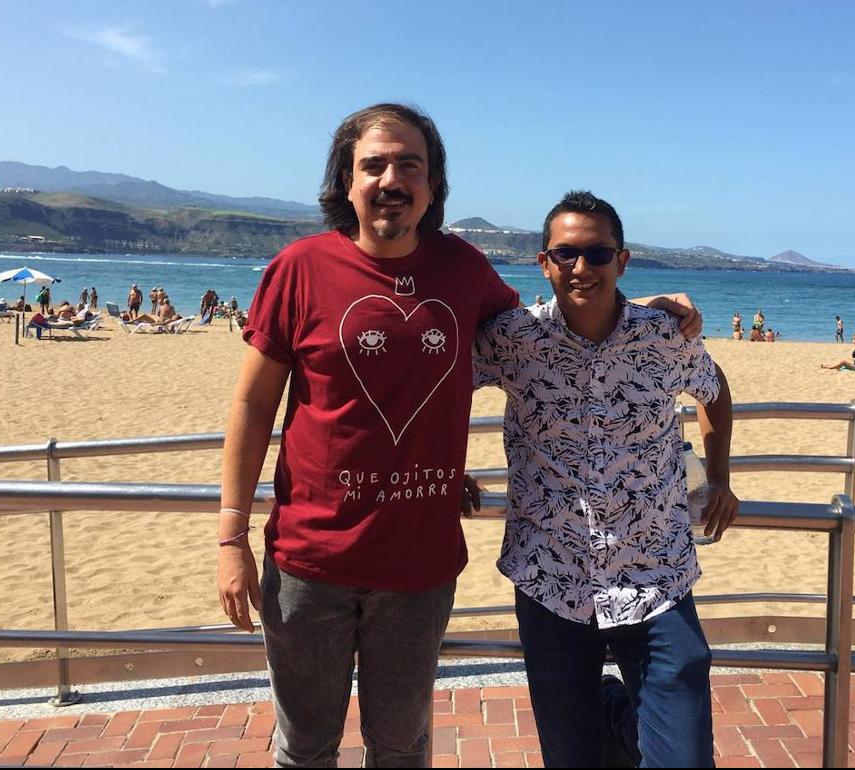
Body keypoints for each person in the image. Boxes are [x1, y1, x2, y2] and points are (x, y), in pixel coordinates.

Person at [217, 104, 701, 769]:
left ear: (433, 184)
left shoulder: (463, 270)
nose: (392, 179)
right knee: (304, 750)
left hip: (418, 567)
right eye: (374, 164)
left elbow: (554, 325)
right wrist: (229, 535)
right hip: (307, 563)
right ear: (347, 181)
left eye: (409, 164)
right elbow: (250, 404)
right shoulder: (299, 269)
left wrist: (643, 309)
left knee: (401, 747)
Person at [471, 191, 735, 768]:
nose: (581, 267)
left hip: (656, 575)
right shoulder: (514, 341)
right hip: (550, 577)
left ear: (623, 259)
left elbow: (714, 390)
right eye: (566, 255)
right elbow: (433, 385)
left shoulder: (664, 336)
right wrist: (441, 470)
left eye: (597, 253)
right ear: (544, 262)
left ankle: (619, 712)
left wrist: (719, 478)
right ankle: (616, 712)